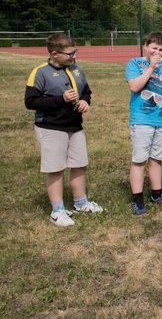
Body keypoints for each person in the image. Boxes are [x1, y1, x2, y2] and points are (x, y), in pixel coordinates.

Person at [25, 32, 104, 226]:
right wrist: (61, 99)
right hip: (51, 127)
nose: (73, 57)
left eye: (74, 52)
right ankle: (57, 210)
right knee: (56, 168)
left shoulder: (77, 69)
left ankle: (80, 202)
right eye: (69, 54)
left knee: (79, 164)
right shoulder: (40, 72)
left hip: (75, 126)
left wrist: (85, 101)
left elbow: (86, 91)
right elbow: (30, 102)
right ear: (54, 54)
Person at [125, 32, 162, 215]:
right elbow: (134, 86)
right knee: (139, 160)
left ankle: (157, 193)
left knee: (156, 159)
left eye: (161, 50)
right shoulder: (135, 64)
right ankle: (137, 199)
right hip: (142, 120)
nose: (157, 52)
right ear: (146, 46)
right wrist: (150, 68)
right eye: (154, 48)